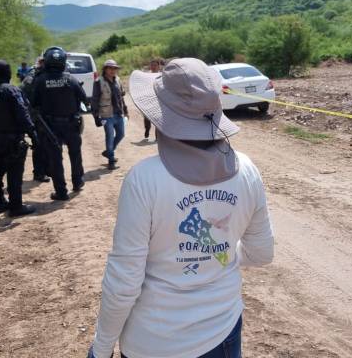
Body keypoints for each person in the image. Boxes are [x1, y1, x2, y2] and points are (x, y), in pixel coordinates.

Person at [88, 58, 274, 358]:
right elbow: (262, 253)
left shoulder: (144, 179)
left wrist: (101, 347)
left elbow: (124, 282)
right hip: (222, 333)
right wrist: (217, 254)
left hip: (152, 342)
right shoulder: (247, 170)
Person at [0, 60, 37, 216]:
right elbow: (22, 115)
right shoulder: (11, 91)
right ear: (8, 74)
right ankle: (16, 206)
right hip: (12, 139)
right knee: (14, 172)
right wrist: (33, 134)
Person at [32, 46, 87, 200]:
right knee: (75, 154)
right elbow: (83, 98)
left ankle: (61, 192)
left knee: (55, 160)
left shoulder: (40, 80)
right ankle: (77, 182)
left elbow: (33, 102)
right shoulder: (71, 79)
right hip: (72, 124)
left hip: (50, 126)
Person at [91, 59, 128, 170]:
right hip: (106, 115)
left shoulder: (118, 80)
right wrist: (96, 116)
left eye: (115, 68)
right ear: (105, 69)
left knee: (121, 134)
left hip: (118, 113)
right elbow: (94, 100)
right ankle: (111, 160)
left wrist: (125, 110)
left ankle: (108, 152)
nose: (113, 71)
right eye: (110, 68)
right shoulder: (98, 82)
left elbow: (121, 97)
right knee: (110, 137)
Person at [21, 57, 50, 183]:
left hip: (46, 114)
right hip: (37, 115)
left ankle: (45, 170)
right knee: (39, 144)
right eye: (43, 62)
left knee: (47, 144)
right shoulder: (33, 74)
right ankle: (38, 172)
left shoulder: (48, 73)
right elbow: (24, 89)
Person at [142, 58, 163, 140]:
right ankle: (147, 129)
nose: (153, 67)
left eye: (155, 65)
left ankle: (157, 137)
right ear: (150, 66)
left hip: (158, 100)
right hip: (148, 99)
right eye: (152, 65)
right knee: (147, 118)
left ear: (159, 66)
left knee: (158, 119)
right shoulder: (146, 76)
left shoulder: (161, 76)